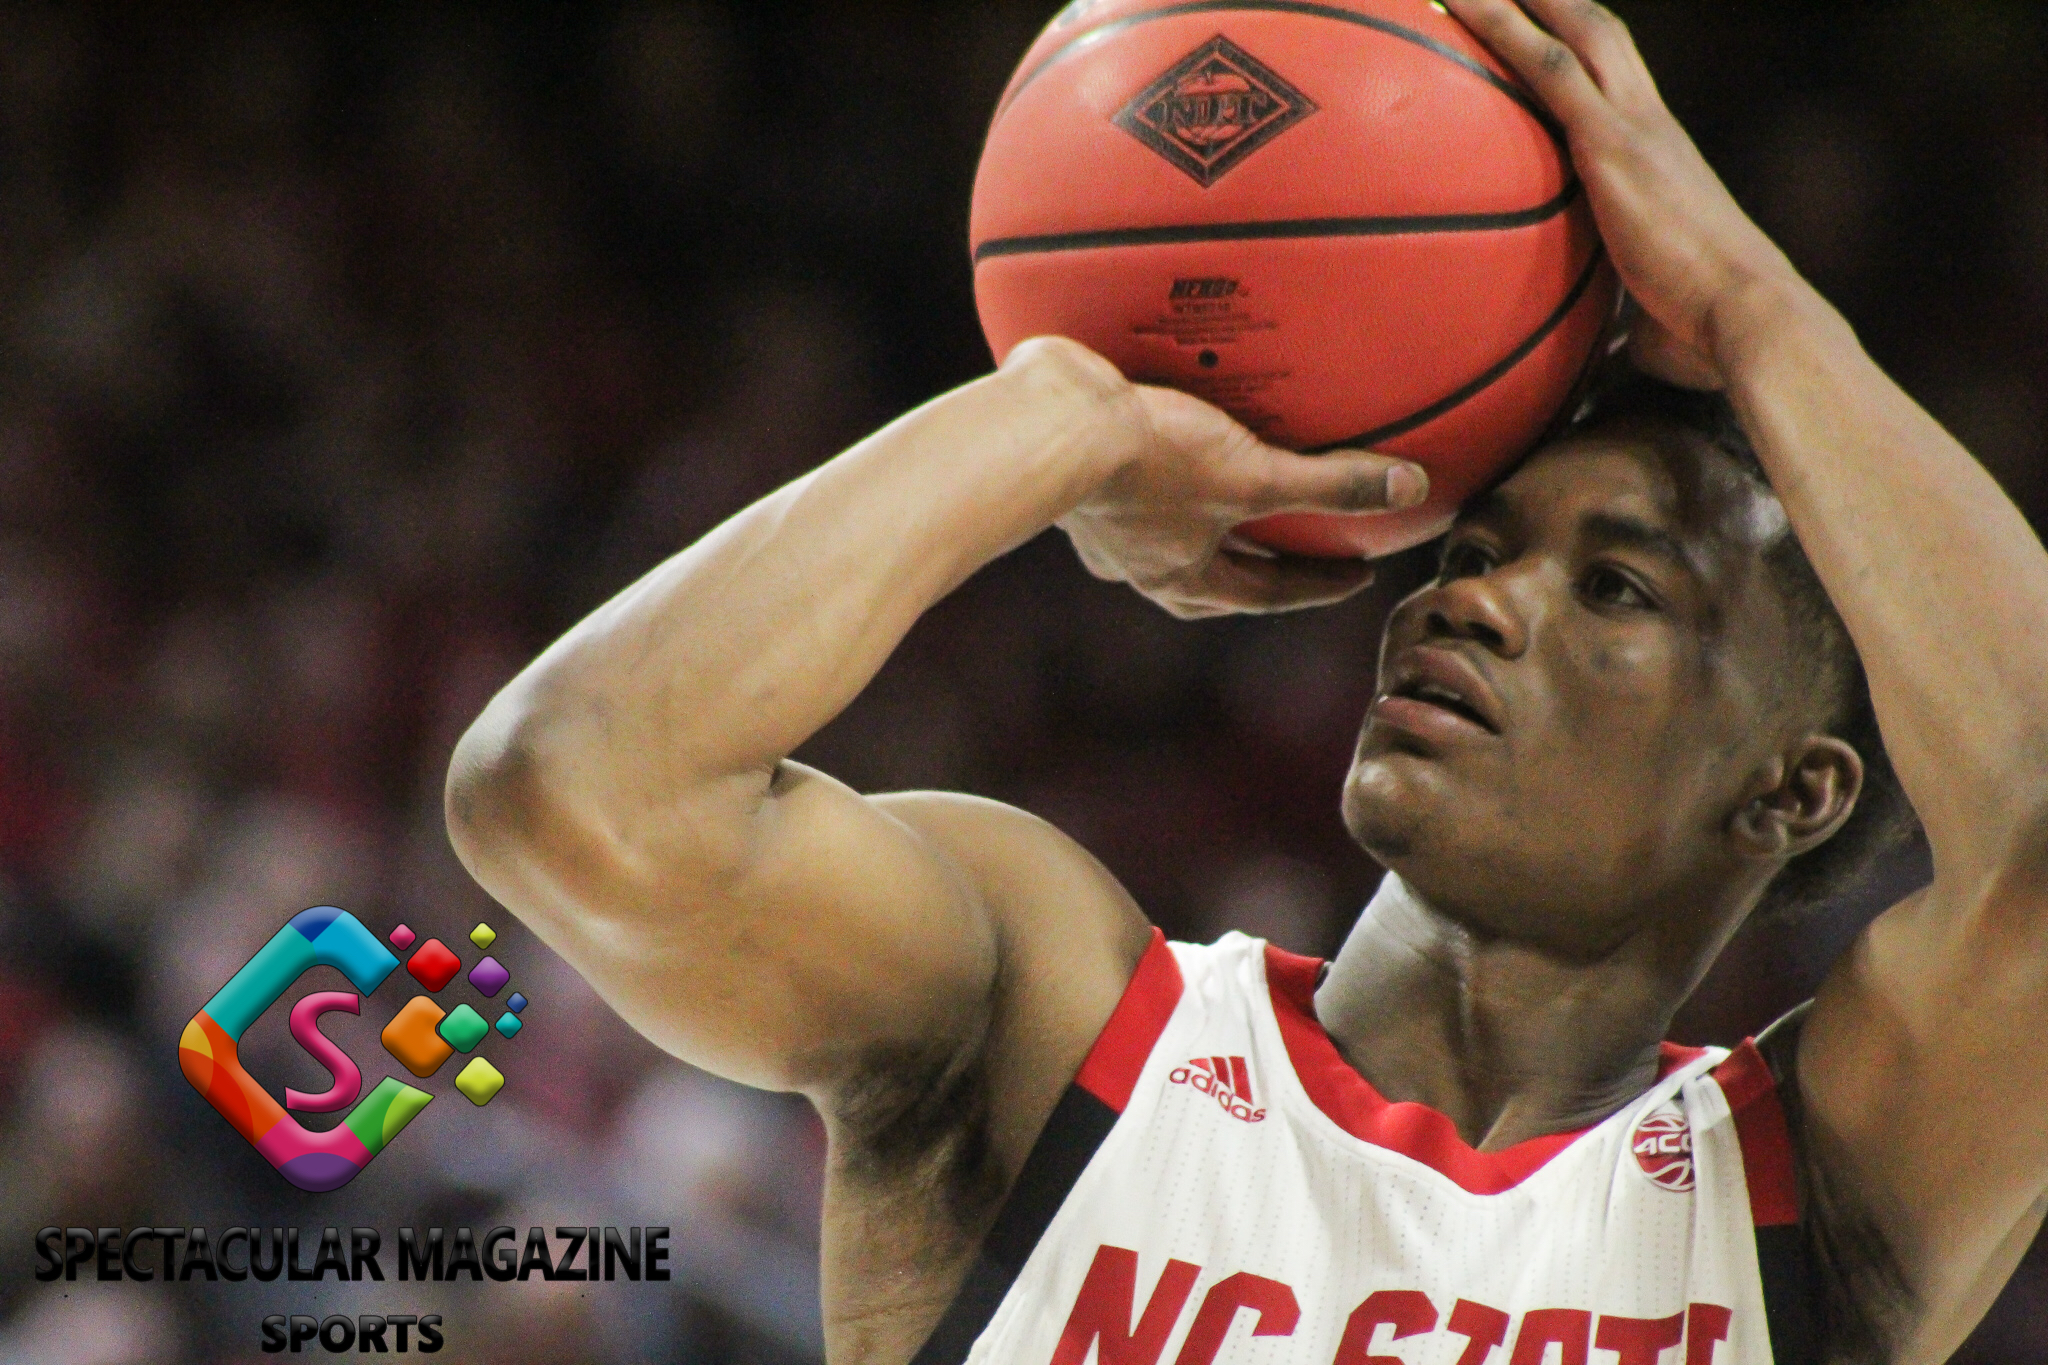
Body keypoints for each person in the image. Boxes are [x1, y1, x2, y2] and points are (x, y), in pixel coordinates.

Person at [444, 2, 2048, 1362]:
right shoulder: (1058, 1019)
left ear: (1793, 785)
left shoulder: (1812, 1196)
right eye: (1476, 548)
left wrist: (1759, 311)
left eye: (1614, 586)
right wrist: (1067, 419)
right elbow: (568, 786)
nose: (1477, 597)